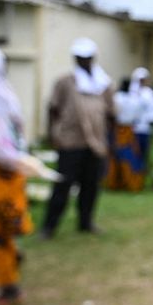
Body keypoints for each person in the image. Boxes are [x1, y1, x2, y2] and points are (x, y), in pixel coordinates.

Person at [41, 37, 115, 237]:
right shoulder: (65, 82)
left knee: (90, 185)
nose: (84, 61)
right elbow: (53, 109)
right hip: (71, 141)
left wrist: (110, 139)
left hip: (96, 143)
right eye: (80, 58)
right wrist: (52, 134)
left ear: (93, 58)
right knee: (63, 184)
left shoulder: (103, 83)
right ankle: (49, 226)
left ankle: (85, 221)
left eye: (87, 57)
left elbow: (111, 113)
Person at [0, 46, 33, 305]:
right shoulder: (8, 94)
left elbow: (3, 143)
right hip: (11, 171)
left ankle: (10, 287)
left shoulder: (0, 97)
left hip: (3, 173)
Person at [104, 77, 146, 191]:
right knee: (130, 157)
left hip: (117, 129)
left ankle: (113, 182)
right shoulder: (134, 100)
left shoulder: (116, 98)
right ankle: (131, 183)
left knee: (114, 156)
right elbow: (138, 116)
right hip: (129, 130)